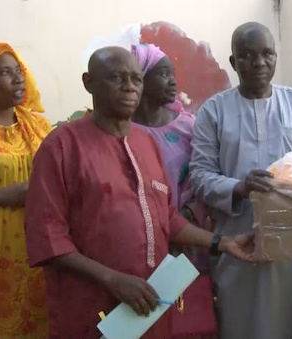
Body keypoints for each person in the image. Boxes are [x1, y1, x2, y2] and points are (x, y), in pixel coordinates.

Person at [24, 46, 253, 339]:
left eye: (136, 78)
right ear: (88, 82)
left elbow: (166, 218)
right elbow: (49, 239)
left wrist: (223, 243)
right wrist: (113, 280)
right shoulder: (62, 146)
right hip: (90, 310)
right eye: (116, 78)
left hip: (149, 308)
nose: (129, 86)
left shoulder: (147, 143)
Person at [190, 22, 292, 339]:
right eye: (248, 56)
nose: (259, 63)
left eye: (267, 54)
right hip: (239, 244)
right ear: (233, 62)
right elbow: (199, 175)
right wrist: (239, 186)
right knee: (242, 326)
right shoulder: (213, 112)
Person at [130, 43, 217, 339]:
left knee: (191, 316)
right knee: (144, 315)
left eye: (172, 73)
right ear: (140, 79)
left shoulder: (188, 127)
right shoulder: (122, 132)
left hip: (188, 237)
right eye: (163, 74)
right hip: (142, 242)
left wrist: (188, 218)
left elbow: (204, 176)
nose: (173, 81)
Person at [0, 41, 50, 338]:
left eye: (18, 70)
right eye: (4, 73)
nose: (18, 78)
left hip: (36, 252)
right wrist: (6, 196)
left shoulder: (37, 127)